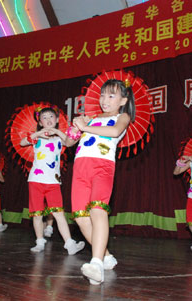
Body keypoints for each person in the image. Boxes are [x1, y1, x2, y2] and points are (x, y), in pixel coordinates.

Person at [65, 78, 135, 285]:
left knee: (98, 210)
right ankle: (105, 256)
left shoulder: (123, 116)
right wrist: (76, 127)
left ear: (123, 100)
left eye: (111, 95)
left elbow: (113, 132)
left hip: (102, 167)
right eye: (103, 95)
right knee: (79, 216)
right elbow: (69, 142)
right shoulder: (93, 118)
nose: (105, 99)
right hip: (80, 168)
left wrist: (86, 127)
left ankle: (95, 263)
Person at [20, 107, 84, 254]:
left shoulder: (58, 139)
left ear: (56, 120)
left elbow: (69, 142)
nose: (48, 119)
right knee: (37, 214)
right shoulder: (36, 138)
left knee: (59, 214)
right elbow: (23, 142)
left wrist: (57, 131)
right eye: (44, 117)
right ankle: (39, 242)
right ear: (40, 122)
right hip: (36, 180)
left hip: (54, 182)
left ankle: (69, 244)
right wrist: (39, 133)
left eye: (51, 117)